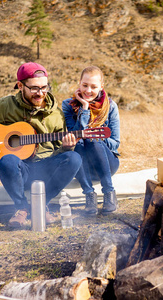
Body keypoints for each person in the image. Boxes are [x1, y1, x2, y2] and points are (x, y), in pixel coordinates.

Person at [0, 62, 82, 228]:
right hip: (18, 172)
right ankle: (21, 207)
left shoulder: (56, 113)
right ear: (20, 86)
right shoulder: (6, 106)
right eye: (34, 88)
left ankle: (42, 204)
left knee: (74, 158)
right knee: (7, 160)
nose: (40, 93)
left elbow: (60, 151)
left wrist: (67, 147)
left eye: (44, 87)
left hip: (46, 170)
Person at [62, 66, 120, 215]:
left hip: (106, 163)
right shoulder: (68, 105)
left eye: (93, 87)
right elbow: (74, 134)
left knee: (92, 140)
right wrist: (85, 108)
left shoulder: (111, 106)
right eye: (85, 85)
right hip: (82, 167)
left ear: (101, 87)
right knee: (78, 143)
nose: (88, 91)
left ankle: (109, 192)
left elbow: (115, 143)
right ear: (79, 83)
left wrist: (98, 138)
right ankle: (89, 194)